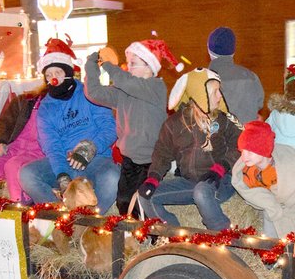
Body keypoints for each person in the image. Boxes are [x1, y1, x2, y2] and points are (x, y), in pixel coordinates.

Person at [19, 38, 120, 214]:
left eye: (58, 72)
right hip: (63, 161)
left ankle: (91, 219)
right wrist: (62, 175)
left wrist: (89, 148)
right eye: (49, 75)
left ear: (68, 72)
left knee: (113, 177)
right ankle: (62, 217)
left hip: (96, 160)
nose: (53, 79)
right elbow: (51, 146)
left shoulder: (90, 93)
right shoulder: (46, 108)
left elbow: (110, 128)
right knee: (26, 174)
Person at [84, 39, 181, 217]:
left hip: (151, 160)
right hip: (129, 159)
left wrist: (107, 64)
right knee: (123, 201)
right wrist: (91, 65)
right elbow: (94, 93)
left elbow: (126, 81)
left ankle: (155, 236)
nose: (128, 68)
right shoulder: (124, 92)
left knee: (143, 203)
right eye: (128, 63)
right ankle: (133, 237)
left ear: (150, 67)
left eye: (133, 64)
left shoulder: (155, 87)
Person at [138, 68, 241, 231]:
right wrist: (153, 177)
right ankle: (175, 237)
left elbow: (240, 146)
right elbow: (162, 153)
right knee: (144, 196)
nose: (220, 96)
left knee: (202, 191)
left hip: (219, 181)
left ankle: (224, 237)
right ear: (200, 94)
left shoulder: (225, 120)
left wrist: (221, 168)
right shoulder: (174, 123)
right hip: (190, 183)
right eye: (215, 92)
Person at [231, 120, 295, 242]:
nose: (244, 157)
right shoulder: (246, 171)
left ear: (263, 150)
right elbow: (251, 192)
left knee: (282, 215)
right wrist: (271, 204)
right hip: (275, 203)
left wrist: (281, 208)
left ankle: (282, 252)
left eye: (250, 151)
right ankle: (273, 251)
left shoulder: (287, 164)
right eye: (242, 151)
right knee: (271, 211)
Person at [207, 26, 264, 124]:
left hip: (213, 138)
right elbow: (259, 104)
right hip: (246, 136)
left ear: (208, 49)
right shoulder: (251, 77)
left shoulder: (201, 79)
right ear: (233, 50)